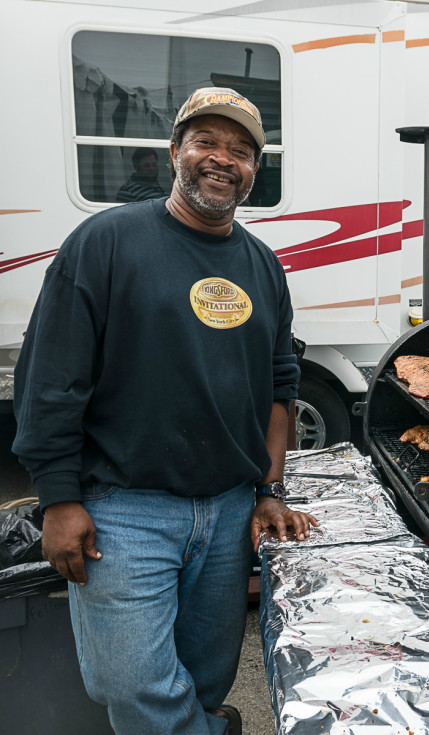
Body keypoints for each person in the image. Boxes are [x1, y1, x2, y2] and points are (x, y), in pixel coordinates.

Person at [13, 87, 317, 735]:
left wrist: (268, 489)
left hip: (230, 505)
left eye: (240, 151)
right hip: (124, 508)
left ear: (253, 173)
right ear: (175, 151)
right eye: (206, 142)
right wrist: (59, 499)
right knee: (131, 681)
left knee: (208, 671)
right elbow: (51, 382)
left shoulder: (262, 265)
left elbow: (278, 383)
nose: (221, 159)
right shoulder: (105, 242)